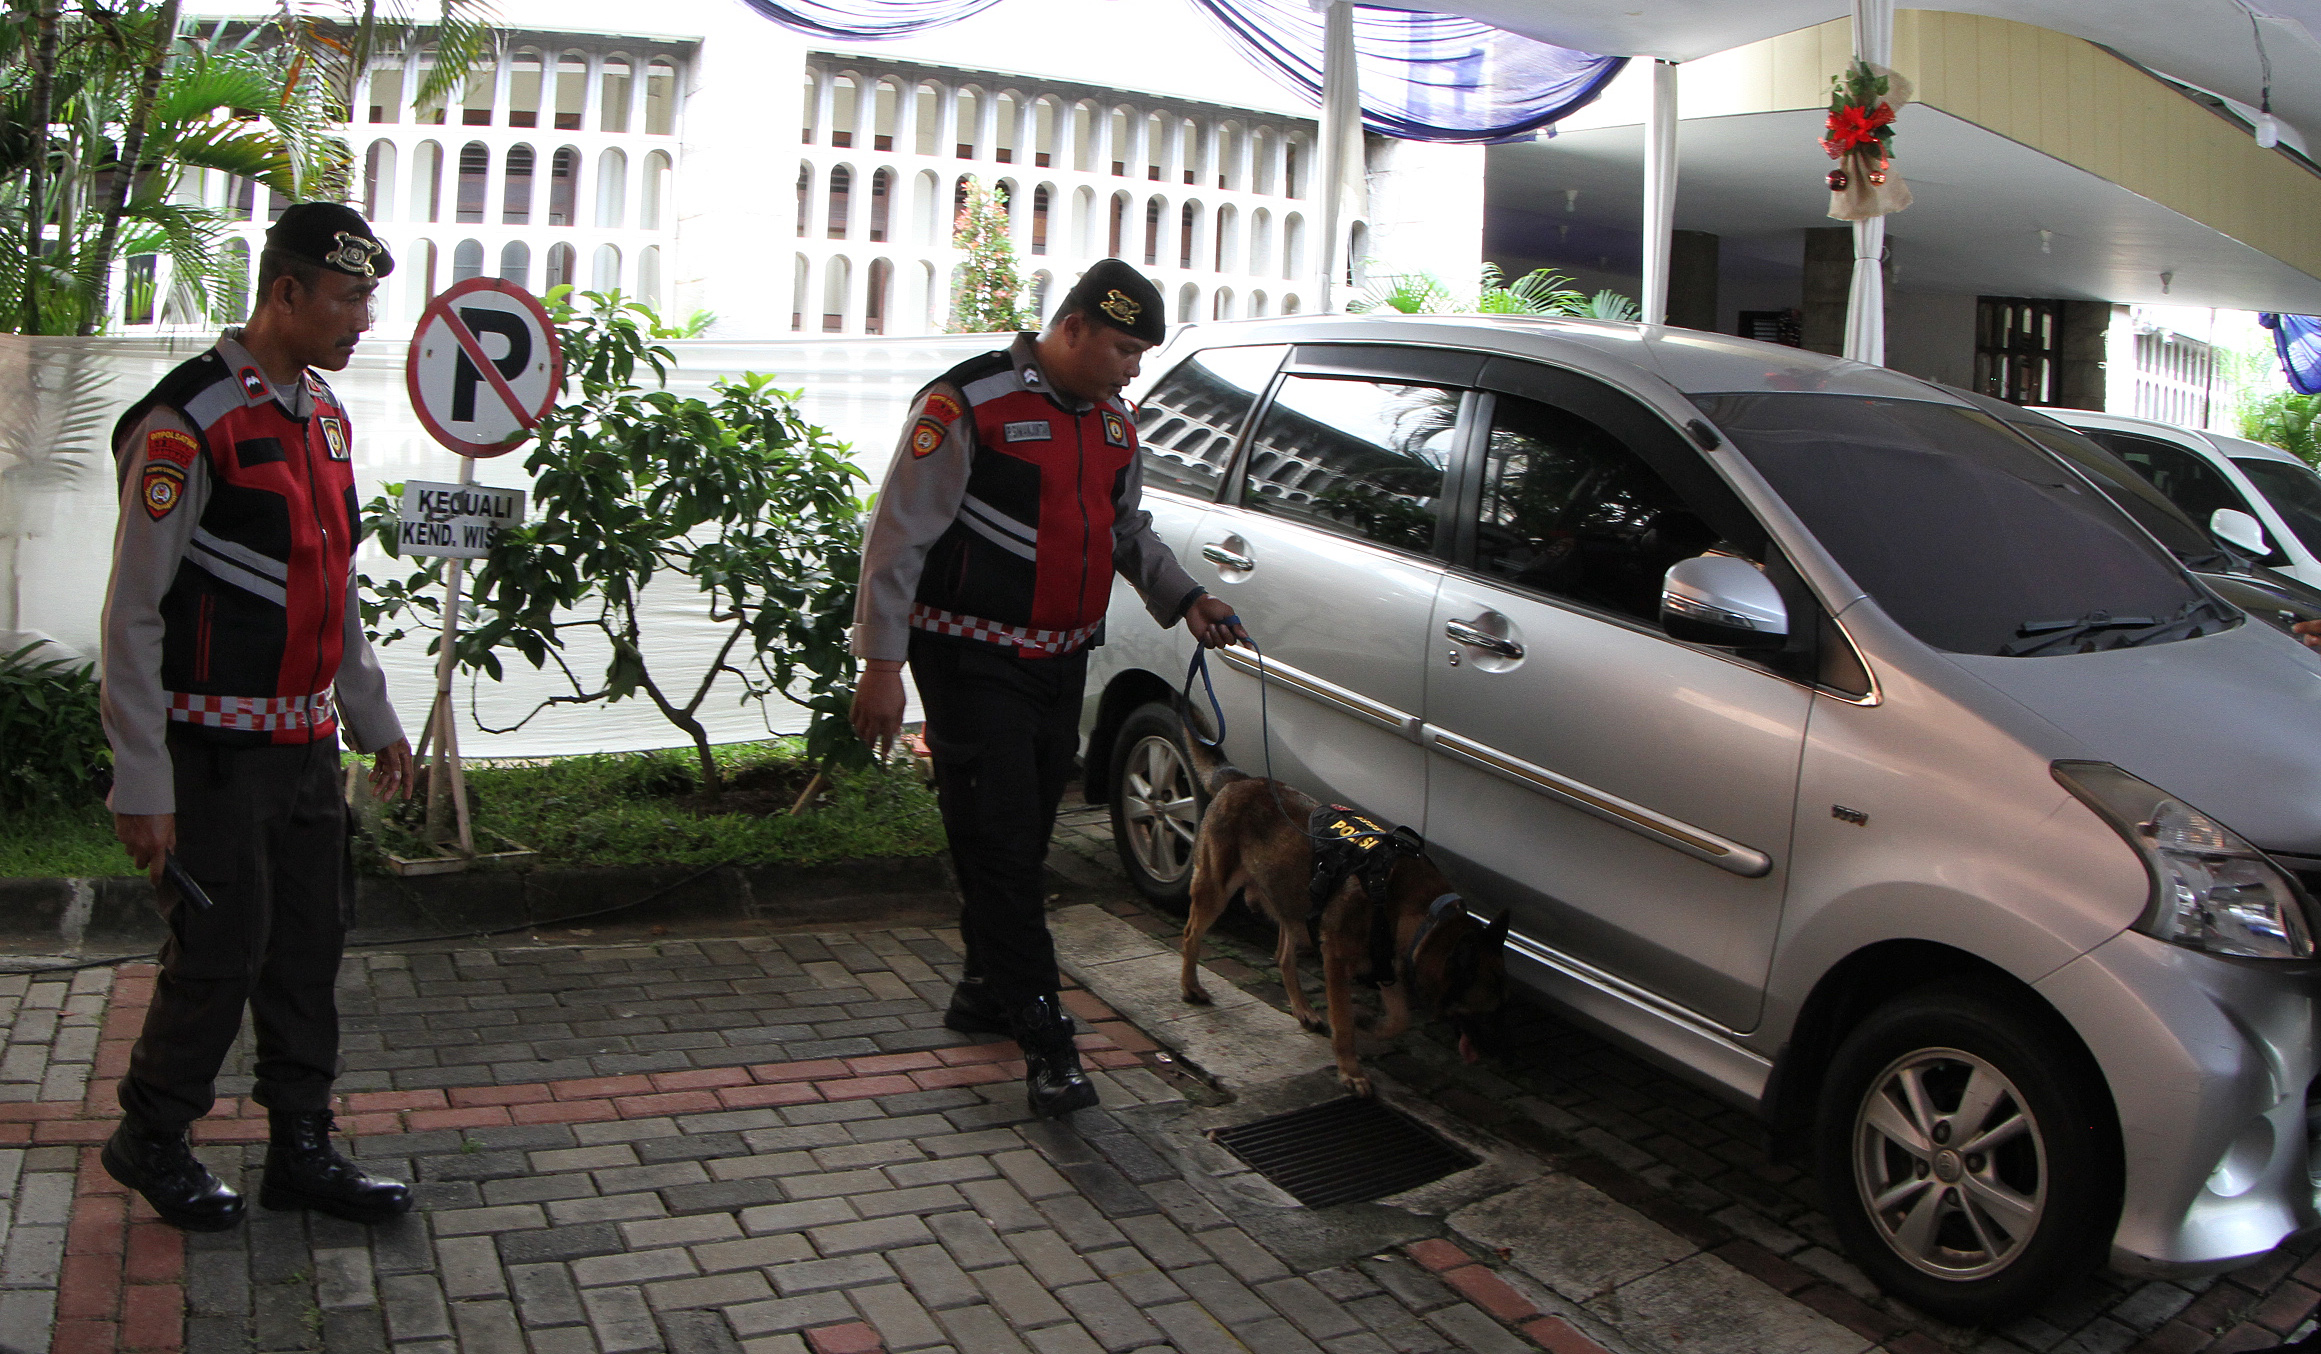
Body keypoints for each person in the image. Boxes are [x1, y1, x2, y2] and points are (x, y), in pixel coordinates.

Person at [849, 259, 1245, 1117]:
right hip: (969, 658)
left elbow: (1125, 529)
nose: (1133, 366)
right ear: (1071, 329)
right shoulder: (967, 405)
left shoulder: (1112, 423)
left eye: (1141, 351)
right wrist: (881, 667)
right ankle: (1046, 1040)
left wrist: (1186, 599)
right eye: (1123, 347)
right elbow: (896, 541)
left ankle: (984, 989)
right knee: (1000, 842)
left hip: (1061, 660)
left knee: (1019, 840)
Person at [99, 202, 417, 1232]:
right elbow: (132, 616)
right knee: (219, 948)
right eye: (349, 295)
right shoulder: (184, 423)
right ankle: (150, 1134)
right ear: (286, 292)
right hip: (212, 751)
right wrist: (141, 784)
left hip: (303, 746)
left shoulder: (322, 416)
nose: (364, 317)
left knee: (308, 947)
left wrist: (374, 719)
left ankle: (301, 1146)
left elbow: (334, 588)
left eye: (368, 295)